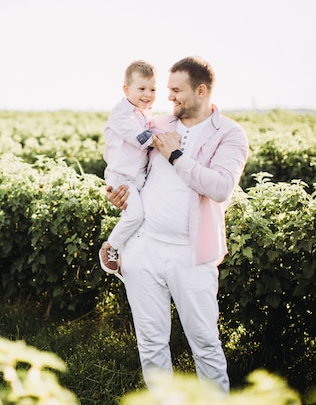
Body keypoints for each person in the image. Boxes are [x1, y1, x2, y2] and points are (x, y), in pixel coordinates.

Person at [106, 56, 249, 393]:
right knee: (152, 343)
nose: (168, 97)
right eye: (166, 90)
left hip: (192, 255)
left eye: (176, 91)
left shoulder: (230, 134)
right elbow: (129, 165)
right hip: (143, 249)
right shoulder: (158, 125)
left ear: (201, 91)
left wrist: (177, 156)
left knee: (204, 342)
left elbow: (219, 187)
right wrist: (118, 194)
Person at [99, 60, 157, 281]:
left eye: (152, 89)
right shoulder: (121, 113)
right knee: (134, 215)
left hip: (136, 178)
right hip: (121, 177)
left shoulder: (145, 113)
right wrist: (163, 141)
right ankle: (109, 247)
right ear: (126, 90)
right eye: (141, 88)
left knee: (139, 220)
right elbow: (139, 137)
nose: (148, 94)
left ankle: (123, 259)